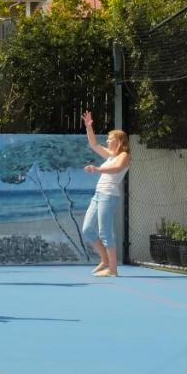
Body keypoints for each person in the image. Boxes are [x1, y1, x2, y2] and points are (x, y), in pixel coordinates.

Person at [81, 110, 130, 277]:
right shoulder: (110, 155)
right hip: (98, 196)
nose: (108, 141)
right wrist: (89, 127)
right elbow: (94, 144)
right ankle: (105, 261)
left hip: (109, 197)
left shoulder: (124, 156)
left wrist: (97, 169)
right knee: (88, 229)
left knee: (105, 232)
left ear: (119, 141)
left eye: (110, 139)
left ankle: (113, 269)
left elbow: (117, 168)